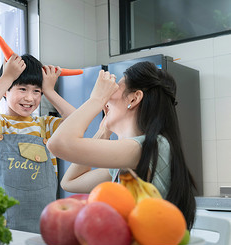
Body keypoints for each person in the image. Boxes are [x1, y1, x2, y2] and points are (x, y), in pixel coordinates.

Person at [46, 62, 196, 230]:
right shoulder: (130, 157)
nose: (107, 97)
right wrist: (104, 132)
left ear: (133, 98)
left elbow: (58, 143)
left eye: (114, 88)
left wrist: (96, 99)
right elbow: (70, 182)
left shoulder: (149, 146)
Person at [0, 53, 75, 233]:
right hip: (2, 226)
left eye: (37, 91)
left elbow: (77, 121)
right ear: (6, 90)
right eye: (22, 89)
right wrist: (7, 77)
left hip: (43, 225)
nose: (30, 98)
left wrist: (50, 91)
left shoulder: (44, 126)